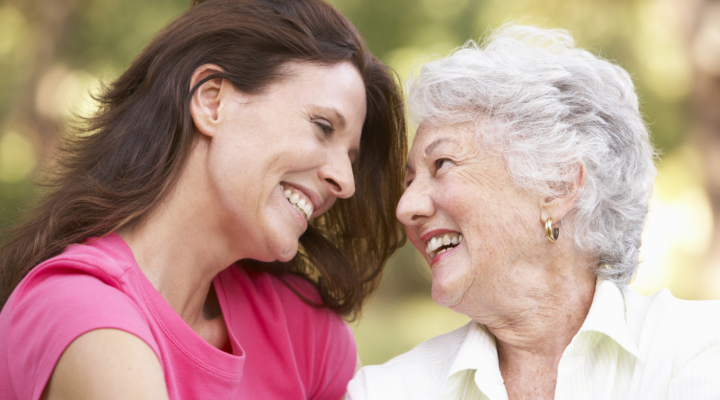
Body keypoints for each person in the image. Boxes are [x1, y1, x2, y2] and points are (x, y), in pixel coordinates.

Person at [0, 0, 407, 398]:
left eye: (350, 158)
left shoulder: (306, 333)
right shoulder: (82, 312)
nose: (345, 182)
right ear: (212, 101)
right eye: (322, 127)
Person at [347, 24, 720, 400]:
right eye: (409, 181)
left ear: (556, 187)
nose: (405, 207)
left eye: (442, 163)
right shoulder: (385, 390)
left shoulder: (697, 349)